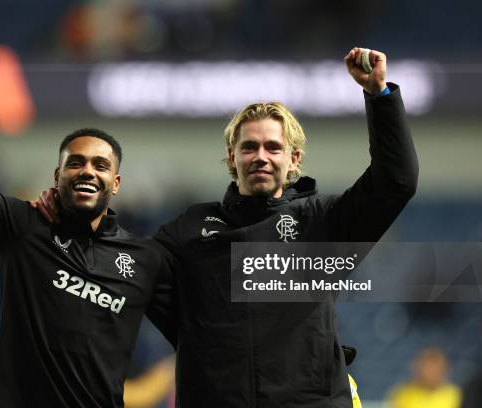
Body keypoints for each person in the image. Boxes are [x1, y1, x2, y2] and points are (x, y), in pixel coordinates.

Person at [36, 47, 418, 407]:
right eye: (249, 147)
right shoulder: (189, 230)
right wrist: (70, 216)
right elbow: (124, 264)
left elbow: (395, 182)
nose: (261, 157)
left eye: (273, 147)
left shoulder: (322, 223)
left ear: (294, 159)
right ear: (231, 158)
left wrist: (379, 95)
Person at [0, 32, 175, 408]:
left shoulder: (144, 259)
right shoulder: (22, 226)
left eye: (100, 165)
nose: (87, 171)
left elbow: (202, 327)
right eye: (76, 162)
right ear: (57, 176)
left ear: (115, 183)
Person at [387, 347, 461, 408]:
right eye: (428, 368)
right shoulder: (403, 395)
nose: (431, 373)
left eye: (435, 368)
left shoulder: (456, 395)